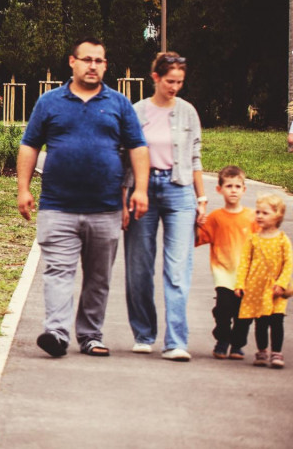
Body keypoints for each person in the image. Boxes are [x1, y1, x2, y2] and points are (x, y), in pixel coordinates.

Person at [17, 37, 149, 358]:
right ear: (72, 62)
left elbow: (138, 148)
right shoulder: (49, 102)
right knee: (59, 271)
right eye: (87, 59)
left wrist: (140, 190)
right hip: (58, 206)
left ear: (105, 65)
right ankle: (58, 333)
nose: (93, 66)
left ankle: (90, 335)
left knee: (98, 277)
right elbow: (30, 145)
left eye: (99, 61)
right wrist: (23, 189)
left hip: (104, 209)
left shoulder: (119, 104)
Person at [124, 52, 208, 362]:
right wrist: (124, 197)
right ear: (156, 78)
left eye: (180, 82)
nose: (175, 87)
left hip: (180, 191)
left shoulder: (188, 113)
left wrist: (201, 199)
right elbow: (126, 157)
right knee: (139, 267)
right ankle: (144, 334)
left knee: (177, 270)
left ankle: (175, 342)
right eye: (170, 81)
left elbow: (195, 158)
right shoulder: (137, 111)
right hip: (142, 192)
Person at [195, 165, 258, 359]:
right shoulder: (215, 218)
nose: (233, 190)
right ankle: (222, 340)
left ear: (244, 190)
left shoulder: (252, 217)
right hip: (223, 272)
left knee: (243, 314)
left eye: (237, 186)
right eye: (229, 186)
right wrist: (196, 224)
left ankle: (237, 345)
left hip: (245, 275)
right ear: (219, 189)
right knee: (223, 309)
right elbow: (199, 239)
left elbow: (261, 244)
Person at [235, 193, 292, 369]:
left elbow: (288, 264)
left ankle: (276, 352)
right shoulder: (253, 239)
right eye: (258, 212)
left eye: (265, 213)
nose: (259, 216)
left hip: (276, 290)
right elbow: (244, 262)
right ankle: (262, 350)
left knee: (276, 320)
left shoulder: (282, 240)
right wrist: (240, 284)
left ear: (278, 216)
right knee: (260, 321)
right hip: (256, 288)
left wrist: (282, 284)